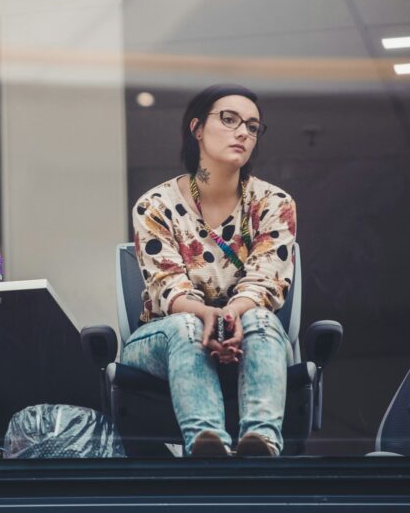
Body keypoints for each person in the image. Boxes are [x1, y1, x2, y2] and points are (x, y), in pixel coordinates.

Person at [121, 84, 297, 457]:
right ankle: (207, 447)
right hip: (165, 337)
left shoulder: (273, 203)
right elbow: (168, 289)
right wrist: (206, 316)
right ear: (197, 128)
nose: (243, 132)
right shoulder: (156, 204)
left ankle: (261, 445)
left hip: (248, 332)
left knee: (262, 319)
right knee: (187, 326)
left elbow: (267, 281)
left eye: (252, 126)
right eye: (229, 120)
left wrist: (231, 315)